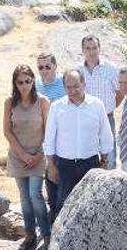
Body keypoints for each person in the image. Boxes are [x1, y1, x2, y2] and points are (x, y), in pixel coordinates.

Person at [44, 69, 113, 211]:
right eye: (68, 87)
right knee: (63, 205)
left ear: (84, 84)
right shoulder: (57, 107)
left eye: (76, 86)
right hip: (64, 166)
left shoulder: (97, 105)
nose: (72, 91)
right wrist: (51, 165)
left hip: (90, 164)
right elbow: (49, 138)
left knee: (91, 205)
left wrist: (105, 160)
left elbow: (105, 134)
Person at [3, 65, 51, 250]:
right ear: (15, 84)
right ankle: (30, 234)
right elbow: (7, 131)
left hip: (38, 155)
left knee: (35, 195)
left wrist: (39, 155)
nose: (24, 86)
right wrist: (22, 154)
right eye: (20, 82)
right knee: (24, 197)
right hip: (18, 156)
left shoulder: (43, 102)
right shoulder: (9, 102)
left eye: (28, 81)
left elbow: (49, 131)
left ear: (33, 81)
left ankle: (46, 234)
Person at [78, 34, 122, 170]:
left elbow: (120, 91)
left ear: (99, 49)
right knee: (88, 158)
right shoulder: (78, 70)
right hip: (84, 118)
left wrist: (111, 106)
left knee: (109, 157)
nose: (91, 52)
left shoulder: (111, 69)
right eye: (88, 48)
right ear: (83, 50)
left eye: (94, 48)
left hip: (106, 118)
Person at [35, 52, 65, 225]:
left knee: (63, 175)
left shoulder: (63, 82)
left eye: (48, 66)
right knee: (49, 175)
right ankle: (52, 213)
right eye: (40, 67)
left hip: (64, 138)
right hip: (44, 138)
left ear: (55, 66)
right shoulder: (36, 85)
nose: (44, 70)